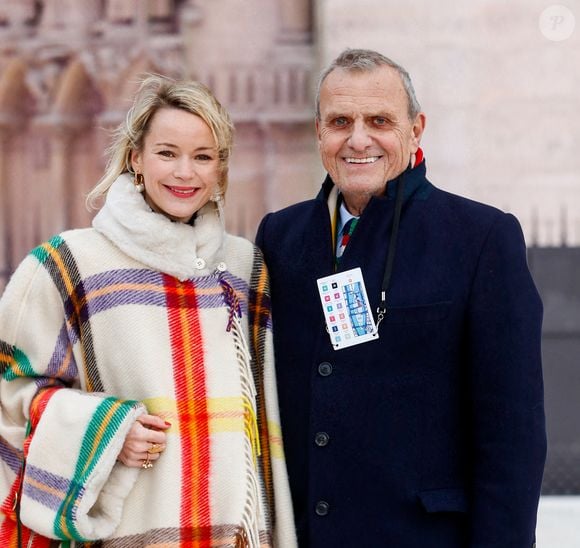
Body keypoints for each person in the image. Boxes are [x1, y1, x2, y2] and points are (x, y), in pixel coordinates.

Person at [256, 48, 546, 547]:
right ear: (319, 132)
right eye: (340, 121)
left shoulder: (480, 237)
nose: (359, 139)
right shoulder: (279, 237)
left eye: (380, 120)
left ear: (416, 129)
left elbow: (512, 438)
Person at [0, 75, 296, 548]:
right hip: (126, 535)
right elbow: (9, 390)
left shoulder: (244, 266)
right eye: (167, 153)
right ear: (136, 158)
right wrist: (105, 433)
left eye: (203, 157)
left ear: (220, 170)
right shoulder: (66, 264)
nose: (185, 172)